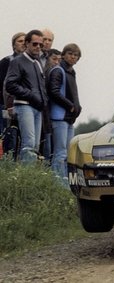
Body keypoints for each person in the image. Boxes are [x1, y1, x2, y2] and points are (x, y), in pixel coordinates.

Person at [5, 29, 47, 163]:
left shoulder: (38, 63)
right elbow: (10, 84)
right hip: (24, 106)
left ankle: (30, 178)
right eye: (35, 44)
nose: (38, 47)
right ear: (27, 44)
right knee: (28, 144)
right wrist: (30, 95)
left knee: (35, 146)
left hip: (37, 108)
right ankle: (26, 179)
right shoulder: (17, 61)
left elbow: (41, 86)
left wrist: (43, 101)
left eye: (40, 44)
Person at [48, 43, 82, 186]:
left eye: (76, 55)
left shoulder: (71, 71)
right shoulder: (58, 70)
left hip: (69, 119)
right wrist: (70, 106)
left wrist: (77, 108)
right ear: (64, 54)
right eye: (70, 54)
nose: (73, 57)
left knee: (68, 154)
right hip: (59, 117)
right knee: (60, 153)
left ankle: (65, 183)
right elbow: (54, 91)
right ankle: (58, 184)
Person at [0, 32, 26, 135]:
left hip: (23, 105)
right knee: (8, 133)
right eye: (20, 41)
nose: (23, 43)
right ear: (14, 45)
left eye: (25, 41)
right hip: (6, 105)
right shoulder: (6, 61)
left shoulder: (31, 63)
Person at [41, 49, 62, 161]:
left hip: (54, 115)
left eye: (59, 60)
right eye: (54, 59)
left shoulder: (57, 73)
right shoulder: (44, 72)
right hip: (44, 115)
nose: (57, 62)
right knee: (47, 148)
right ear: (47, 59)